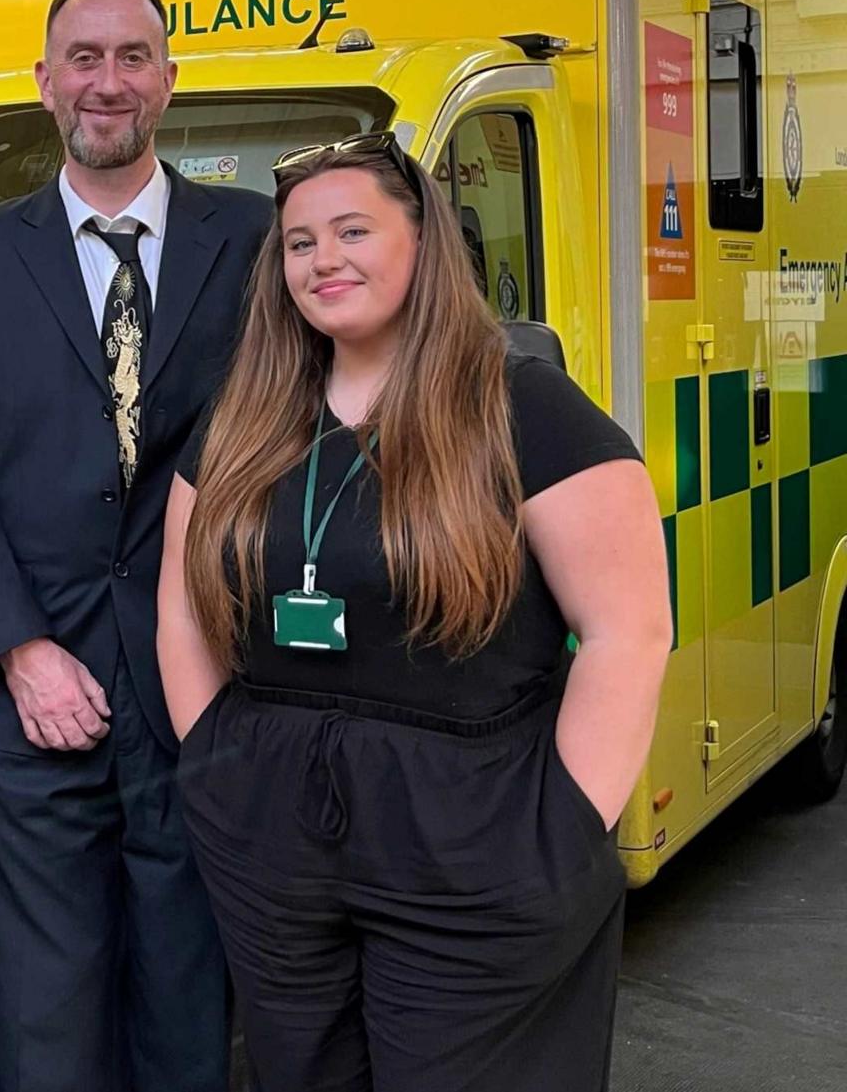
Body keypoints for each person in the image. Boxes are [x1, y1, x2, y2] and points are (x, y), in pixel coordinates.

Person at [159, 133, 670, 1091]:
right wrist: (216, 762)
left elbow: (629, 629)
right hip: (275, 830)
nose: (324, 260)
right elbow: (182, 611)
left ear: (425, 241)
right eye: (301, 243)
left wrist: (564, 825)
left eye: (353, 230)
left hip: (474, 828)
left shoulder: (523, 406)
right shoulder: (248, 411)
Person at [0, 0, 267, 1092]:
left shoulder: (254, 243)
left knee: (185, 1008)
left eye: (131, 57)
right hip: (32, 698)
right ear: (44, 81)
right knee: (46, 1020)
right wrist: (17, 645)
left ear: (167, 78)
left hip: (203, 686)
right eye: (83, 58)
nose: (106, 82)